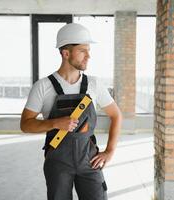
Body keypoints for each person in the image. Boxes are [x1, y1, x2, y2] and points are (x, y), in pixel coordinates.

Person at [20, 23, 122, 200]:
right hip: (58, 162)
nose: (88, 56)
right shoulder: (43, 87)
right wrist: (54, 123)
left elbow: (116, 115)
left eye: (88, 50)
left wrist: (110, 151)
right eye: (83, 51)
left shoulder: (94, 84)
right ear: (66, 53)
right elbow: (25, 124)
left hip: (89, 159)